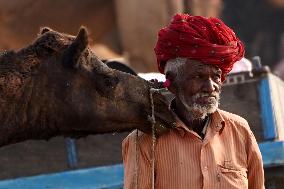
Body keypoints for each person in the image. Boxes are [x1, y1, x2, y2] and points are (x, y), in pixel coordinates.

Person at [122, 14, 264, 189]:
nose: (210, 86)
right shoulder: (143, 141)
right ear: (172, 82)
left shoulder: (240, 131)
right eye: (199, 76)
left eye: (216, 77)